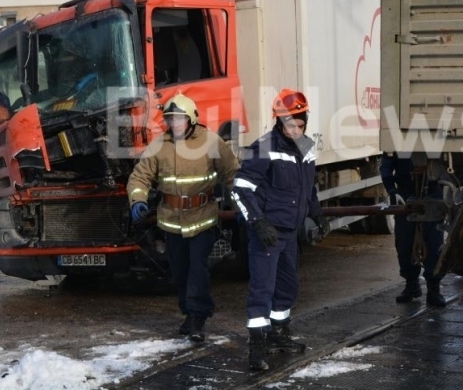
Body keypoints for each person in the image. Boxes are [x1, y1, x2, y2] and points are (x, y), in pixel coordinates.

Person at [231, 88, 330, 371]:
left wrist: (318, 216)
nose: (295, 130)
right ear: (278, 122)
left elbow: (307, 188)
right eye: (289, 125)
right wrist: (259, 223)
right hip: (268, 232)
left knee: (288, 287)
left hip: (290, 232)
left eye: (299, 125)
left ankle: (279, 334)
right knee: (262, 289)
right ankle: (257, 348)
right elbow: (240, 189)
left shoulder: (306, 148)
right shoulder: (264, 148)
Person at [127, 93, 238, 342]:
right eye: (170, 119)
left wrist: (240, 203)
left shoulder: (212, 142)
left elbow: (232, 172)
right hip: (171, 222)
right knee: (179, 272)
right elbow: (140, 177)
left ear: (191, 119)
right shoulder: (159, 146)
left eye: (179, 118)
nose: (174, 123)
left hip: (203, 219)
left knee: (198, 269)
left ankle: (198, 316)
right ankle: (189, 312)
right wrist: (138, 199)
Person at [379, 152, 446, 307]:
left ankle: (433, 288)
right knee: (404, 242)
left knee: (434, 243)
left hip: (433, 191)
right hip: (405, 193)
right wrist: (391, 190)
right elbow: (386, 166)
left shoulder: (437, 135)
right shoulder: (397, 137)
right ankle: (412, 284)